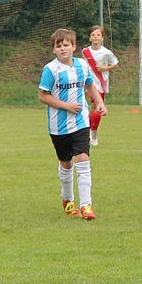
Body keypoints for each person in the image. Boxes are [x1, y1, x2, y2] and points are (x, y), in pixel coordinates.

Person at [39, 28, 107, 221]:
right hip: (58, 126)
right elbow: (43, 96)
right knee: (66, 163)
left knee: (83, 158)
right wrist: (66, 106)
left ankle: (86, 205)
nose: (62, 48)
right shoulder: (51, 70)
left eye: (66, 45)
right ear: (54, 50)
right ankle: (67, 200)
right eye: (58, 46)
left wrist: (99, 103)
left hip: (80, 121)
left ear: (74, 46)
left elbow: (89, 84)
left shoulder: (82, 65)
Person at [81, 25, 118, 146]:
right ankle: (92, 132)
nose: (95, 37)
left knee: (94, 109)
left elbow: (115, 65)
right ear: (90, 38)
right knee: (96, 105)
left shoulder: (106, 52)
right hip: (90, 83)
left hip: (102, 82)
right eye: (93, 35)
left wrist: (104, 68)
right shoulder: (85, 52)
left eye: (98, 35)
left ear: (102, 38)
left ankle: (90, 130)